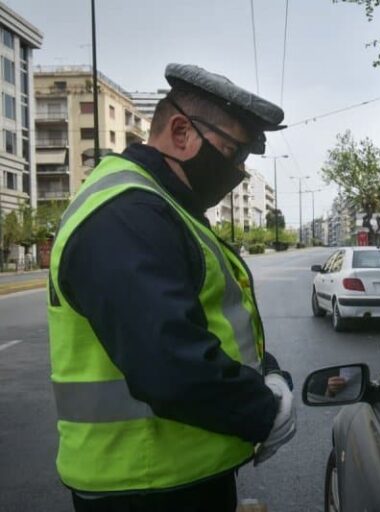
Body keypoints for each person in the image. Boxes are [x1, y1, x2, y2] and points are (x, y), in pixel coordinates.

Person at [47, 63, 296, 511]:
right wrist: (262, 410)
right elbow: (168, 362)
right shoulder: (127, 214)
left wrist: (270, 374)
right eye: (231, 152)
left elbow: (210, 318)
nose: (236, 170)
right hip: (142, 488)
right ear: (181, 132)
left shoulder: (164, 208)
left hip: (174, 478)